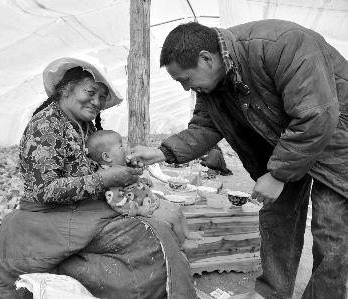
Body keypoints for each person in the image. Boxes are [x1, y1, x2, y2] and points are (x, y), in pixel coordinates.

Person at [126, 20, 348, 299]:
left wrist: (277, 174)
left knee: (332, 230)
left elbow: (316, 116)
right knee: (276, 217)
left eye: (185, 79)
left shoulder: (283, 45)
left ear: (205, 59)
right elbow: (205, 127)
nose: (186, 89)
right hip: (286, 145)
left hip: (338, 142)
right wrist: (161, 153)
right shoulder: (213, 86)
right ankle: (271, 293)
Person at [0, 57, 198, 299]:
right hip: (49, 216)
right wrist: (104, 179)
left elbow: (99, 165)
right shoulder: (45, 126)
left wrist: (123, 168)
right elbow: (45, 190)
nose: (97, 101)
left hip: (81, 209)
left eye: (101, 97)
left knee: (159, 226)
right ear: (66, 88)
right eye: (91, 92)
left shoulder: (84, 125)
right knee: (153, 235)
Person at [85, 129, 203, 247]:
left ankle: (187, 233)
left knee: (176, 208)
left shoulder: (119, 165)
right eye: (121, 146)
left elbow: (134, 180)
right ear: (107, 156)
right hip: (143, 209)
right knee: (173, 217)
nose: (126, 147)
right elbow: (117, 202)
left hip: (150, 201)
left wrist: (140, 175)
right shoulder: (109, 177)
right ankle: (182, 243)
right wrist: (140, 211)